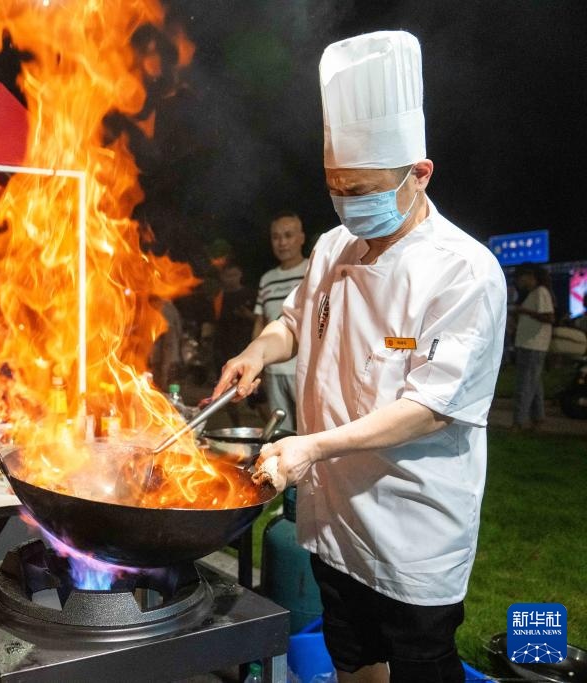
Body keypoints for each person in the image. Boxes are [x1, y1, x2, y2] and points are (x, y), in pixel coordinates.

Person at [214, 32, 506, 682]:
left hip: (413, 526)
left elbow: (431, 409)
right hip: (336, 517)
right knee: (354, 660)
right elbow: (293, 326)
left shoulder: (465, 272)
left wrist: (311, 446)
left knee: (422, 666)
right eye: (337, 188)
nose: (349, 203)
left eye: (365, 188)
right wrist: (256, 351)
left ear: (419, 174)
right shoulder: (331, 248)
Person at [252, 212, 308, 432]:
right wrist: (256, 360)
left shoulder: (313, 269)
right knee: (279, 430)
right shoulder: (267, 280)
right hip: (274, 370)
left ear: (301, 238)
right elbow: (260, 322)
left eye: (288, 235)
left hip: (304, 368)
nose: (282, 242)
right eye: (276, 237)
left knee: (308, 428)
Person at [510, 263, 554, 430]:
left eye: (519, 278)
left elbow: (549, 317)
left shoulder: (541, 292)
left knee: (525, 384)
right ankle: (538, 418)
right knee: (534, 384)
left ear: (529, 276)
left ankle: (519, 422)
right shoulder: (533, 294)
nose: (518, 282)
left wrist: (523, 311)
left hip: (533, 345)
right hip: (528, 344)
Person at [213, 265, 256, 426]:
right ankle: (236, 426)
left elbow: (259, 320)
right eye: (226, 275)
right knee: (226, 389)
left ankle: (268, 427)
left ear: (240, 274)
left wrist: (247, 315)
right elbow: (214, 320)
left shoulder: (249, 294)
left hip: (246, 348)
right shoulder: (220, 296)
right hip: (223, 348)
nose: (230, 278)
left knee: (256, 393)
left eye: (233, 274)